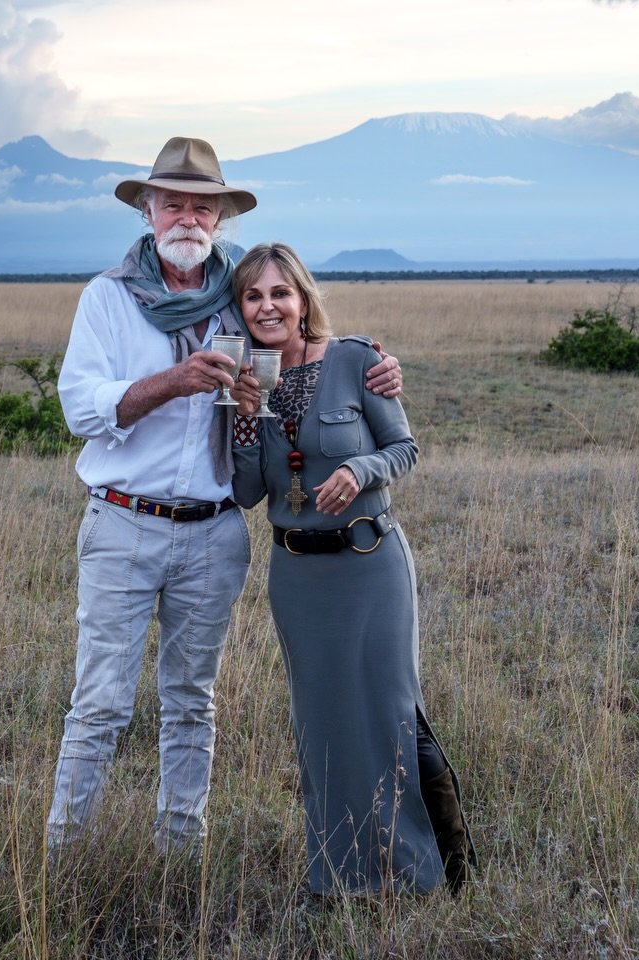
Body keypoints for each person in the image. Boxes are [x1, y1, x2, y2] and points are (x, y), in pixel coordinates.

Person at [49, 139, 404, 855]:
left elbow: (305, 339)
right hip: (124, 521)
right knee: (100, 706)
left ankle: (181, 856)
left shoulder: (236, 304)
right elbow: (80, 410)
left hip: (214, 530)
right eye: (172, 202)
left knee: (191, 703)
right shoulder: (109, 299)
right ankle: (64, 857)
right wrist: (171, 384)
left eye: (201, 205)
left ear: (220, 217)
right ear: (148, 210)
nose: (187, 216)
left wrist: (376, 363)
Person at [227, 242, 475, 895]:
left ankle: (426, 871)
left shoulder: (358, 361)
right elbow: (251, 493)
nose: (268, 306)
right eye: (253, 296)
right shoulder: (247, 378)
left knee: (391, 711)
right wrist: (246, 420)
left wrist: (359, 470)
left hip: (371, 563)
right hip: (299, 580)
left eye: (280, 292)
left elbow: (403, 447)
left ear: (303, 297)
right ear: (241, 309)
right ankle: (340, 876)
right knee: (323, 725)